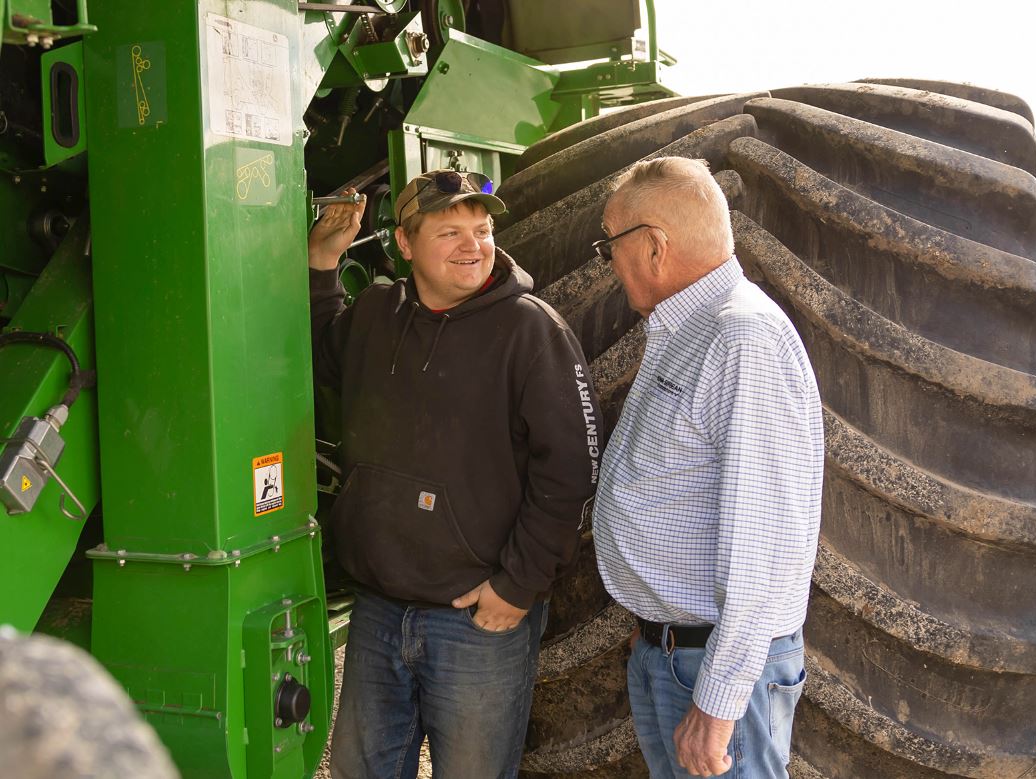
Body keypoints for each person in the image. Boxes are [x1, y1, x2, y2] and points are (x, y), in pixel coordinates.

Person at [306, 171, 601, 778]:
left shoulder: (531, 330)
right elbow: (316, 350)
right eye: (451, 232)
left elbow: (571, 470)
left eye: (483, 230)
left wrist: (518, 586)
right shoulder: (376, 315)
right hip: (380, 609)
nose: (474, 245)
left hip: (476, 618)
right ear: (405, 245)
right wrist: (321, 262)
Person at [592, 157, 824, 778]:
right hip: (669, 653)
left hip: (716, 672)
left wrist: (718, 703)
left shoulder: (741, 339)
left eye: (609, 245)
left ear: (654, 246)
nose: (609, 263)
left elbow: (761, 541)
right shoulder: (691, 330)